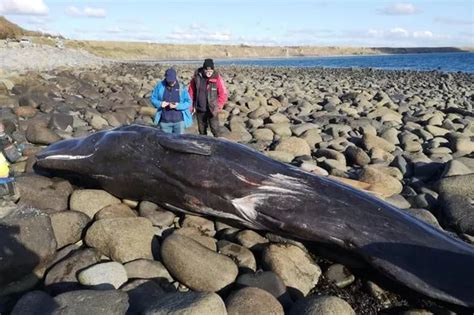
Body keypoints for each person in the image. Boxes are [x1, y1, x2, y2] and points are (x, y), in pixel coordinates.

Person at [188, 58, 228, 137]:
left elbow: (223, 94)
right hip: (200, 109)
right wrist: (190, 106)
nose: (209, 73)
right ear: (203, 69)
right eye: (207, 71)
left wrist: (219, 106)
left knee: (215, 130)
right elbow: (190, 93)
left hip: (212, 109)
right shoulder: (196, 78)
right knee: (202, 131)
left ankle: (219, 145)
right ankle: (203, 146)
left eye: (211, 71)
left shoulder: (217, 78)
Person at [150, 68, 192, 134]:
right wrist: (160, 104)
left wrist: (178, 106)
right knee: (165, 142)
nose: (171, 83)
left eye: (173, 81)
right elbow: (153, 99)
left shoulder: (181, 87)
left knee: (179, 142)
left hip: (179, 122)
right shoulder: (160, 86)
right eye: (169, 81)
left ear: (175, 78)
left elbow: (189, 102)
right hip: (164, 122)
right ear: (166, 78)